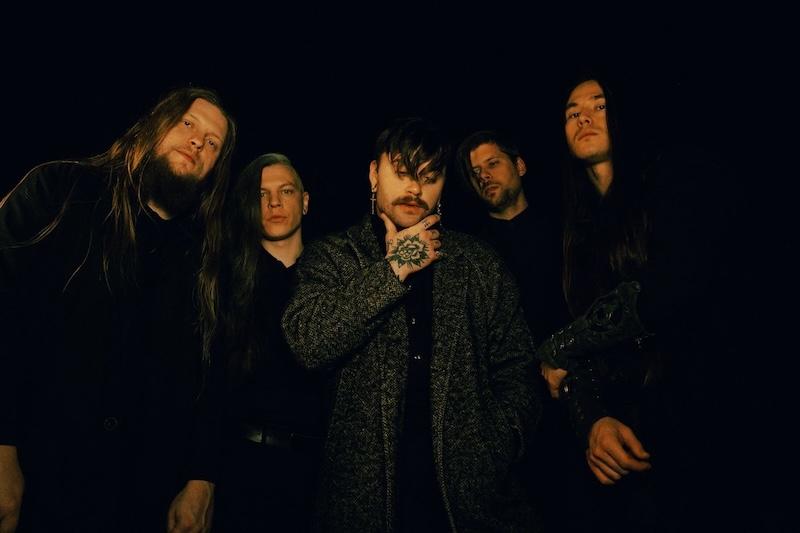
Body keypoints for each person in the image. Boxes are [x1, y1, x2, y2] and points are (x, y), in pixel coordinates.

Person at [281, 117, 541, 532]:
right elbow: (307, 343)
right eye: (402, 172)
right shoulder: (333, 256)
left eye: (429, 177)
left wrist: (494, 448)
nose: (415, 188)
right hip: (361, 503)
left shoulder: (478, 263)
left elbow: (518, 369)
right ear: (374, 175)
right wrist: (394, 268)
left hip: (470, 504)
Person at [0, 86, 236, 532]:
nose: (197, 141)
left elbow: (210, 373)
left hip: (141, 501)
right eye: (188, 123)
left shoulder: (205, 258)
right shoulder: (59, 189)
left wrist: (201, 478)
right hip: (38, 484)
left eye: (212, 143)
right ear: (153, 126)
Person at [535, 72, 736, 531]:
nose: (583, 118)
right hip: (624, 433)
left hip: (697, 419)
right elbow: (572, 324)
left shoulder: (672, 178)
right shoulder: (571, 227)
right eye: (571, 113)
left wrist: (560, 345)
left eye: (598, 105)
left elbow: (668, 288)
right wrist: (592, 419)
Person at [455, 131, 579, 529]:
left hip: (572, 397)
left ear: (520, 165)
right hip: (506, 416)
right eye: (475, 172)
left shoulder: (566, 231)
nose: (484, 176)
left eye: (492, 164)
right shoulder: (470, 253)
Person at [198, 153, 328, 531]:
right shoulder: (224, 283)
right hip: (243, 471)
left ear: (305, 201)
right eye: (261, 194)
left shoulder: (335, 281)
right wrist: (201, 476)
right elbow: (206, 386)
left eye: (286, 191)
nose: (273, 203)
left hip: (321, 476)